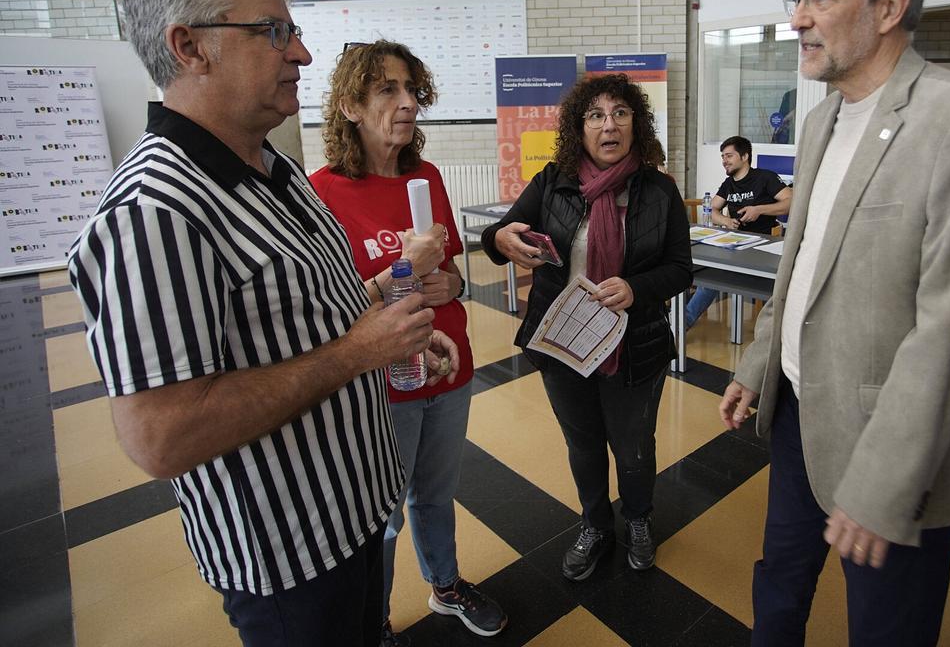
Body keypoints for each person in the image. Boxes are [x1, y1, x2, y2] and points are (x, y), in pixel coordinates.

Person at [66, 0, 459, 647]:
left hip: (358, 510)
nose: (301, 54)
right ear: (190, 47)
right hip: (290, 558)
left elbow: (308, 308)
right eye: (273, 32)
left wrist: (390, 321)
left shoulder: (268, 166)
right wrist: (353, 353)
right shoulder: (154, 211)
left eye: (295, 31)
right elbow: (162, 436)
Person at [720, 0, 950, 646]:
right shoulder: (825, 119)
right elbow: (802, 260)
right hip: (798, 409)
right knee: (780, 582)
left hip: (889, 438)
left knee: (887, 625)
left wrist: (884, 480)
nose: (797, 19)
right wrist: (763, 362)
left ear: (891, 5)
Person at [310, 40, 506, 641]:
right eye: (387, 91)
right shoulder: (322, 193)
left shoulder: (427, 177)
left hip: (450, 365)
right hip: (383, 381)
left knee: (437, 493)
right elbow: (331, 306)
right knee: (383, 512)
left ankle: (444, 586)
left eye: (411, 91)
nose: (407, 105)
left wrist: (445, 279)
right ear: (349, 105)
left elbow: (451, 277)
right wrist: (403, 269)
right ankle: (375, 620)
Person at [482, 74, 692, 581]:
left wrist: (637, 288)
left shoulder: (659, 190)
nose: (609, 125)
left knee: (634, 446)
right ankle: (596, 524)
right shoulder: (553, 181)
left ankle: (638, 520)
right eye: (595, 115)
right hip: (563, 341)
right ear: (580, 127)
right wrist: (499, 239)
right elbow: (500, 234)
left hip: (633, 344)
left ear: (635, 124)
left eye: (620, 113)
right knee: (583, 445)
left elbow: (681, 268)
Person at [685, 136, 793, 328]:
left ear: (744, 156)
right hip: (734, 245)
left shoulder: (765, 177)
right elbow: (711, 209)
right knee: (701, 271)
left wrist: (758, 209)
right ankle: (679, 318)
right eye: (722, 156)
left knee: (714, 276)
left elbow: (791, 201)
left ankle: (682, 321)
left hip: (762, 247)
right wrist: (725, 220)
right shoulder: (729, 183)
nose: (724, 161)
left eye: (729, 156)